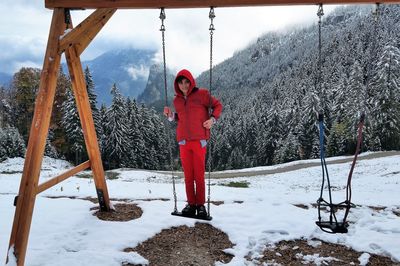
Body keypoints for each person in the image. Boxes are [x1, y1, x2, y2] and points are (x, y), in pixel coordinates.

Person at [164, 69, 222, 218]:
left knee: (199, 175)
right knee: (188, 176)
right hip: (184, 141)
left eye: (186, 82)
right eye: (181, 82)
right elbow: (180, 117)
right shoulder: (177, 100)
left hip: (199, 141)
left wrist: (212, 120)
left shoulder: (201, 94)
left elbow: (217, 106)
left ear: (191, 82)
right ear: (177, 84)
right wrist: (171, 115)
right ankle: (191, 204)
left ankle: (201, 205)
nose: (184, 85)